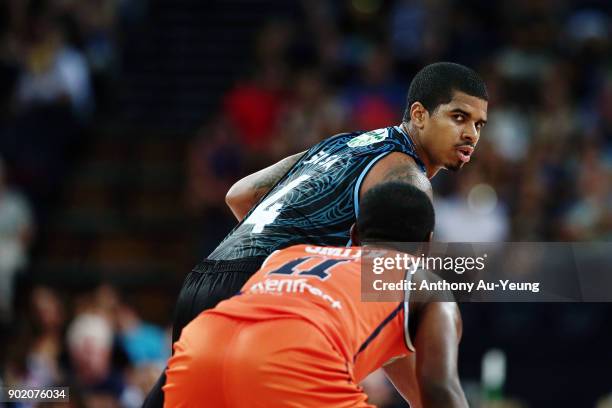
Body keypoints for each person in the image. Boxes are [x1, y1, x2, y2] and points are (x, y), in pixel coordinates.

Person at [144, 61, 487, 406]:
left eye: (478, 124)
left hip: (206, 280)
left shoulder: (338, 144)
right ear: (419, 114)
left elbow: (240, 193)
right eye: (458, 117)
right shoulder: (405, 176)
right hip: (269, 298)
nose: (471, 134)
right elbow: (390, 302)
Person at [164, 183, 467, 408]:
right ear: (427, 246)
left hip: (198, 352)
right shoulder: (419, 279)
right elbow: (439, 391)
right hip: (294, 359)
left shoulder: (287, 255)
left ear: (354, 235)